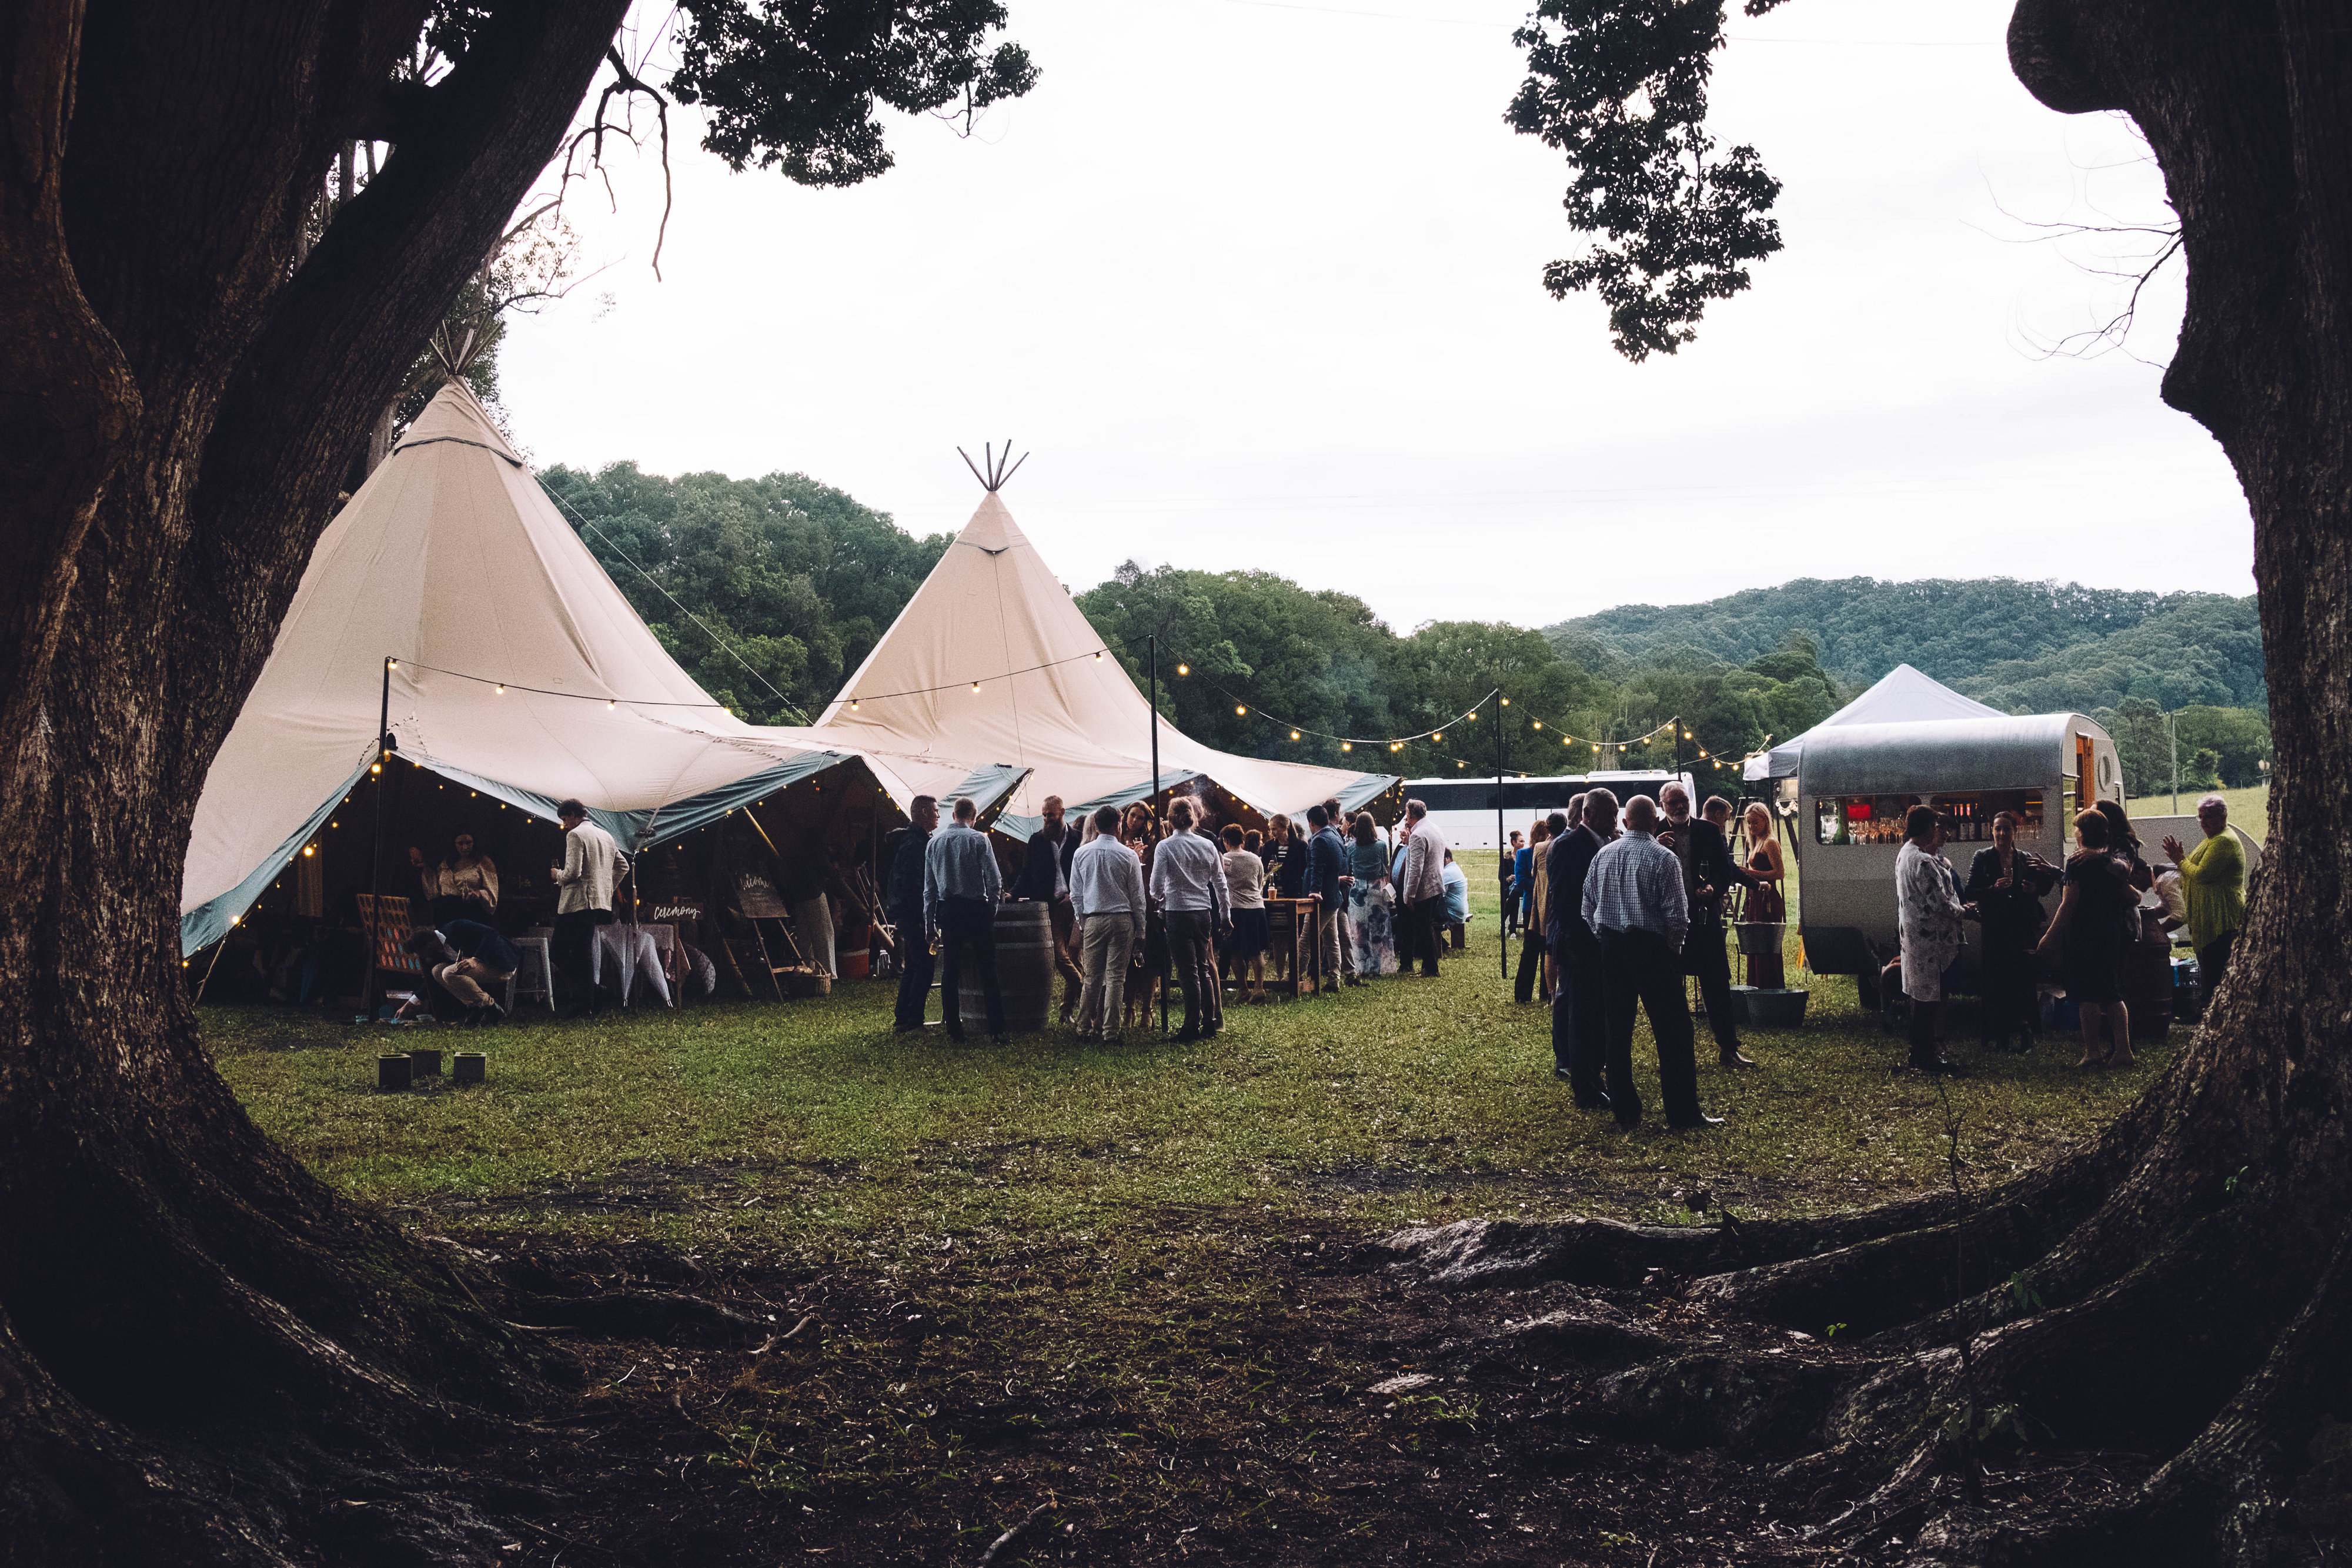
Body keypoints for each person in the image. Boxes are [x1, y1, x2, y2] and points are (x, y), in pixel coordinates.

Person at [1582, 794, 1714, 1129]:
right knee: (1674, 1032)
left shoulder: (1603, 855)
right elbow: (1678, 916)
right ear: (1656, 822)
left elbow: (1587, 907)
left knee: (1617, 1031)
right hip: (1653, 950)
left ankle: (1625, 1111)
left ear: (1625, 822)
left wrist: (1606, 938)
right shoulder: (1665, 858)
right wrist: (1672, 951)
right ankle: (1682, 1113)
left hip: (1613, 948)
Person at [1656, 784, 1759, 1069]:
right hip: (1667, 923)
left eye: (1684, 801)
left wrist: (1714, 888)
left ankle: (1728, 1048)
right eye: (1673, 803)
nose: (1680, 807)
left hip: (1704, 918)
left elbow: (1725, 870)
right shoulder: (1655, 833)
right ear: (1662, 805)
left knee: (1716, 984)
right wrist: (1655, 844)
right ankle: (1675, 1054)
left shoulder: (1709, 831)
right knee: (1669, 989)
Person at [2039, 809, 2134, 1068]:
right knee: (2111, 992)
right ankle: (2123, 1049)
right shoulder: (2109, 861)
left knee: (2086, 995)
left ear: (2081, 834)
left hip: (2084, 933)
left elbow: (2068, 903)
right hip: (2110, 930)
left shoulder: (2077, 861)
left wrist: (2049, 936)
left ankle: (2093, 1052)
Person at [1962, 810, 2059, 1052]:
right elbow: (1970, 891)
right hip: (1995, 927)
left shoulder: (2024, 858)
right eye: (1998, 829)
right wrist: (1993, 889)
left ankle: (2026, 1033)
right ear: (1992, 831)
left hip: (2021, 927)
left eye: (2007, 829)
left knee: (2022, 980)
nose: (2002, 833)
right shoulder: (1983, 857)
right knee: (1995, 980)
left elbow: (2045, 887)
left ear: (2015, 832)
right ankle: (1998, 1034)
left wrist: (2034, 889)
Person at [1895, 804, 1973, 1074]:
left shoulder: (1905, 853)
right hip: (1930, 939)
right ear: (1928, 828)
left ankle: (1918, 1053)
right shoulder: (1924, 861)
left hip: (1913, 935)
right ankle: (1925, 1056)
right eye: (1935, 826)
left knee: (1919, 998)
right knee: (1928, 1001)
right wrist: (1966, 912)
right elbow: (1940, 904)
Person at [924, 796, 1005, 1043]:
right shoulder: (980, 840)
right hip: (976, 909)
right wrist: (991, 909)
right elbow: (995, 880)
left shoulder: (934, 843)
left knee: (950, 970)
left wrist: (929, 923)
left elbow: (929, 889)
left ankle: (954, 1030)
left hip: (949, 910)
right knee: (988, 969)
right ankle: (996, 1029)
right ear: (974, 817)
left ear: (954, 815)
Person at [1151, 797, 1230, 1040]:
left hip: (1178, 912)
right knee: (1203, 968)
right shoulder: (1207, 845)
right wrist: (1225, 915)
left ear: (1170, 820)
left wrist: (1161, 896)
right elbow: (1220, 883)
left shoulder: (1165, 846)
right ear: (1193, 818)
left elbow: (1155, 887)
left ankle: (1190, 1025)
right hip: (1204, 912)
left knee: (1187, 971)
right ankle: (1209, 1022)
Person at [1548, 792, 1608, 1105]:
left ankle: (1593, 1073)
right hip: (1578, 943)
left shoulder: (1604, 842)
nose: (1614, 821)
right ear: (1589, 814)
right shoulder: (1568, 845)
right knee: (1580, 1015)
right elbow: (1563, 901)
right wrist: (1580, 942)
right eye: (1609, 815)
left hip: (1595, 942)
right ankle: (1584, 1084)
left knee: (1593, 1012)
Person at [1071, 804, 1145, 1041]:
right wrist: (1141, 931)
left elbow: (1076, 894)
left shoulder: (1081, 854)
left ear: (1096, 825)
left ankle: (1083, 1027)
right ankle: (1111, 1030)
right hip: (1122, 919)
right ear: (1118, 825)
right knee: (1116, 978)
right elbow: (1138, 897)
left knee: (1092, 977)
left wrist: (1083, 922)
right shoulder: (1129, 855)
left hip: (1093, 918)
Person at [2162, 793, 2247, 997]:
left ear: (2223, 816)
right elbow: (2190, 870)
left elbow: (2202, 875)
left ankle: (2211, 1008)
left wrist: (2181, 861)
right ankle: (2206, 1006)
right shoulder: (2212, 840)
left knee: (2215, 976)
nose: (2203, 822)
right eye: (2200, 817)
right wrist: (2181, 862)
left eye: (2208, 816)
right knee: (2209, 974)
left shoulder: (2224, 841)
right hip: (2209, 920)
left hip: (2221, 921)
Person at [1012, 795, 1085, 1024]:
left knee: (1074, 957)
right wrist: (1013, 894)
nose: (1046, 819)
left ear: (1062, 812)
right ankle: (1087, 994)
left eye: (1050, 815)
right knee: (1059, 957)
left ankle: (1066, 1011)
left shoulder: (1079, 839)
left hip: (1075, 905)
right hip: (1051, 907)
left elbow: (1086, 872)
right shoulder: (1037, 840)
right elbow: (1026, 873)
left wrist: (1075, 895)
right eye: (1044, 815)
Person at [549, 798, 622, 1018]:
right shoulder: (606, 835)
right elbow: (623, 866)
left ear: (573, 815)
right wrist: (605, 888)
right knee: (583, 952)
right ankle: (587, 1004)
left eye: (565, 819)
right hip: (597, 903)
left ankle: (593, 991)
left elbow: (573, 872)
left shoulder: (575, 835)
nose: (564, 825)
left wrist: (557, 875)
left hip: (577, 902)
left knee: (557, 952)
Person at [887, 795, 939, 1031]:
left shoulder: (912, 840)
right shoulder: (916, 844)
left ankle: (903, 1017)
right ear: (924, 812)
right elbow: (914, 884)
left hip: (906, 912)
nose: (939, 815)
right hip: (914, 913)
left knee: (913, 965)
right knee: (925, 965)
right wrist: (923, 918)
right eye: (936, 811)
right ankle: (914, 1019)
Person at [404, 920, 518, 1025]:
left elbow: (491, 933)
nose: (424, 957)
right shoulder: (438, 951)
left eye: (422, 953)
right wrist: (411, 1002)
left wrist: (475, 959)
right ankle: (476, 1008)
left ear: (430, 945)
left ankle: (491, 1008)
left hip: (500, 966)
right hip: (482, 969)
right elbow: (430, 980)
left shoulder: (456, 927)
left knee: (448, 973)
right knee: (437, 971)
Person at [1122, 804, 1166, 1031]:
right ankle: (1129, 1009)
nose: (1135, 821)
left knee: (1149, 959)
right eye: (1132, 815)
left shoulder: (1154, 844)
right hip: (1125, 904)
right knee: (1128, 961)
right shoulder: (1118, 840)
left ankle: (1147, 1010)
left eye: (1140, 818)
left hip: (1148, 904)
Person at [1396, 799, 1448, 978]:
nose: (1406, 818)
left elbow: (1415, 869)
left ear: (1411, 814)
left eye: (1407, 814)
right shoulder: (1435, 829)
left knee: (1423, 929)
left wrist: (1410, 895)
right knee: (1427, 926)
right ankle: (1428, 966)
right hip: (1436, 885)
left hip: (1424, 889)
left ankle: (1431, 967)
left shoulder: (1418, 835)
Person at [1738, 802, 1786, 990]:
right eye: (1749, 823)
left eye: (1755, 822)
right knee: (1755, 944)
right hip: (1755, 898)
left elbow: (1779, 873)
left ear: (1766, 821)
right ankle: (1756, 986)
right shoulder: (1756, 841)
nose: (1752, 826)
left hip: (1768, 899)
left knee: (1766, 945)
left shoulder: (1770, 843)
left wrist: (1751, 874)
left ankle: (1769, 987)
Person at [1301, 804, 1350, 991]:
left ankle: (1294, 978)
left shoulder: (1320, 840)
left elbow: (1317, 868)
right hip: (1334, 895)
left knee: (1306, 940)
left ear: (1311, 823)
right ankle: (1334, 980)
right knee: (1332, 940)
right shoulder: (1335, 835)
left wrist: (1315, 890)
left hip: (1322, 898)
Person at [1220, 824, 1270, 1002]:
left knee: (1235, 951)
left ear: (1226, 841)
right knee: (1257, 951)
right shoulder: (1255, 859)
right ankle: (1259, 987)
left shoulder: (1225, 859)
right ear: (1242, 839)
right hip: (1257, 908)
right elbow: (1260, 882)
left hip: (1236, 909)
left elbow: (1220, 884)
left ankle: (1243, 990)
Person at [1344, 811, 1396, 977]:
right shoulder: (1381, 846)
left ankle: (1362, 966)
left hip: (1358, 891)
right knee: (1378, 930)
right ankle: (1376, 968)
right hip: (1376, 888)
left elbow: (1347, 867)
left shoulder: (1351, 846)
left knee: (1359, 930)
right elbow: (1385, 868)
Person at [409, 830, 498, 925]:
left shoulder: (483, 861)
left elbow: (492, 892)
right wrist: (425, 867)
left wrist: (479, 893)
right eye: (460, 843)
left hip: (470, 913)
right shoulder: (447, 861)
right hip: (445, 913)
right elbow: (435, 890)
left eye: (469, 843)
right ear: (454, 844)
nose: (465, 847)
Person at [1512, 820, 1553, 1003]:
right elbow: (1521, 880)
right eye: (1544, 833)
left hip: (1549, 908)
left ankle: (1546, 993)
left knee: (1547, 951)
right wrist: (1540, 887)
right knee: (1530, 952)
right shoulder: (1524, 854)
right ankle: (1523, 994)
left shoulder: (1552, 850)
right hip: (1531, 907)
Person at [1321, 796, 1359, 983]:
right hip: (1330, 896)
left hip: (1339, 896)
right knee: (1325, 939)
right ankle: (1331, 974)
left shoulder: (1334, 835)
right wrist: (1341, 879)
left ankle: (1348, 974)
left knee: (1342, 936)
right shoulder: (1326, 836)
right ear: (1336, 814)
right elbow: (1321, 871)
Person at [1440, 848, 1469, 946]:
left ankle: (1440, 944)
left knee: (1425, 915)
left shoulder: (1447, 872)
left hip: (1454, 913)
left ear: (1447, 858)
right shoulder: (1455, 868)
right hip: (1460, 910)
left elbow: (1440, 895)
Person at [1502, 829, 1525, 938]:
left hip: (1522, 885)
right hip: (1510, 887)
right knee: (1514, 896)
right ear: (1514, 843)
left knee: (1515, 894)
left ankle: (1504, 918)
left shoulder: (1525, 856)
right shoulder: (1506, 858)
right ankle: (1513, 931)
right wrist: (1508, 878)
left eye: (1524, 841)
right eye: (1521, 841)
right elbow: (1501, 876)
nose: (1523, 844)